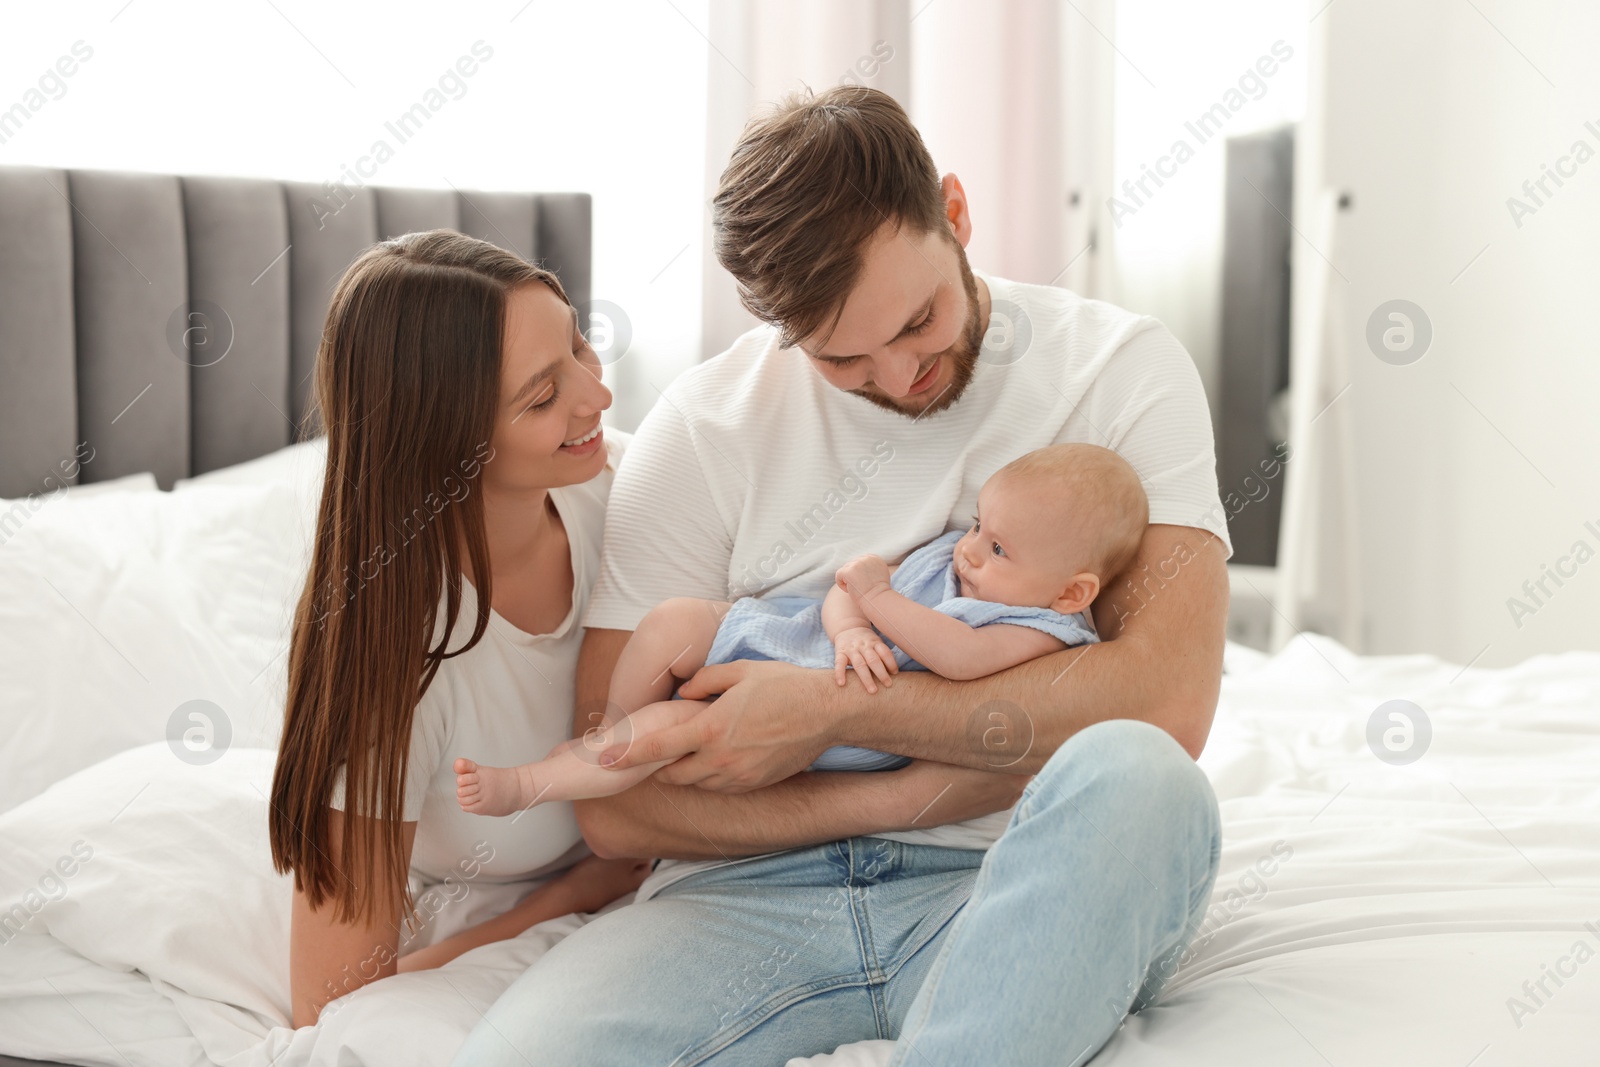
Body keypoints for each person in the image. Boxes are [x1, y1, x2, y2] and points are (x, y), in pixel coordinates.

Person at [455, 86, 1230, 1066]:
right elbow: (614, 805)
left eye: (919, 322)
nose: (902, 373)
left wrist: (831, 712)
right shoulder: (700, 430)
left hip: (1008, 872)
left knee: (1143, 777)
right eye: (844, 360)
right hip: (735, 896)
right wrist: (880, 800)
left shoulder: (1118, 370)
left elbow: (1164, 701)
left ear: (954, 214)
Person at [266, 230, 650, 1028]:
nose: (596, 399)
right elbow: (330, 1005)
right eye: (543, 397)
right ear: (448, 444)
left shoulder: (621, 487)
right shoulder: (397, 667)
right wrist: (571, 894)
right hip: (537, 895)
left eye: (580, 345)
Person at [453, 442, 1144, 813]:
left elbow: (958, 656)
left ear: (1071, 591)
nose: (970, 548)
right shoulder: (954, 556)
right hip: (794, 635)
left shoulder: (1036, 626)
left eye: (998, 549)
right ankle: (607, 726)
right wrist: (850, 625)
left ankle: (530, 783)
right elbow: (848, 587)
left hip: (814, 714)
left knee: (656, 737)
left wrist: (877, 601)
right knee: (670, 624)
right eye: (978, 525)